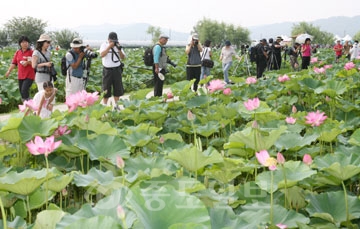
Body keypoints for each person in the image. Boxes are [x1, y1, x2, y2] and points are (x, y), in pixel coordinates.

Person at [99, 32, 126, 109]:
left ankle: (116, 105)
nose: (113, 42)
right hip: (107, 70)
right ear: (108, 40)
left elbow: (123, 57)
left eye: (114, 41)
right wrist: (109, 47)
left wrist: (119, 49)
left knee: (117, 88)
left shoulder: (118, 46)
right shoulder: (104, 45)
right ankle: (104, 106)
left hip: (117, 69)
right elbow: (102, 55)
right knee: (106, 88)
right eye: (112, 41)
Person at [5, 36, 35, 101]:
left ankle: (30, 104)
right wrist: (8, 71)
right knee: (22, 92)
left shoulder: (32, 52)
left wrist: (27, 62)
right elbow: (14, 63)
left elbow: (35, 63)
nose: (25, 44)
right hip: (20, 75)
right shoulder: (18, 52)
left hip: (29, 75)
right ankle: (27, 105)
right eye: (23, 42)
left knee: (24, 90)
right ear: (20, 44)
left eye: (26, 42)